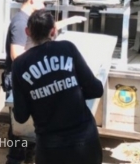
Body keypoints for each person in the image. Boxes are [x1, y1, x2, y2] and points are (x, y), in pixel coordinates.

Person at [2, 0, 86, 164]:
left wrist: (69, 21)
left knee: (31, 126)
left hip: (28, 76)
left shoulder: (29, 21)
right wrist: (41, 60)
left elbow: (46, 28)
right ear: (32, 0)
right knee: (19, 129)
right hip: (19, 79)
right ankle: (15, 160)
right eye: (43, 3)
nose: (45, 7)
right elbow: (16, 55)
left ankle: (28, 157)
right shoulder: (20, 22)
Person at [11, 9, 104, 164]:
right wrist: (70, 91)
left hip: (50, 148)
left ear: (27, 32)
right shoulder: (67, 49)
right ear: (53, 31)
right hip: (85, 141)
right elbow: (96, 89)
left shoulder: (19, 65)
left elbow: (21, 116)